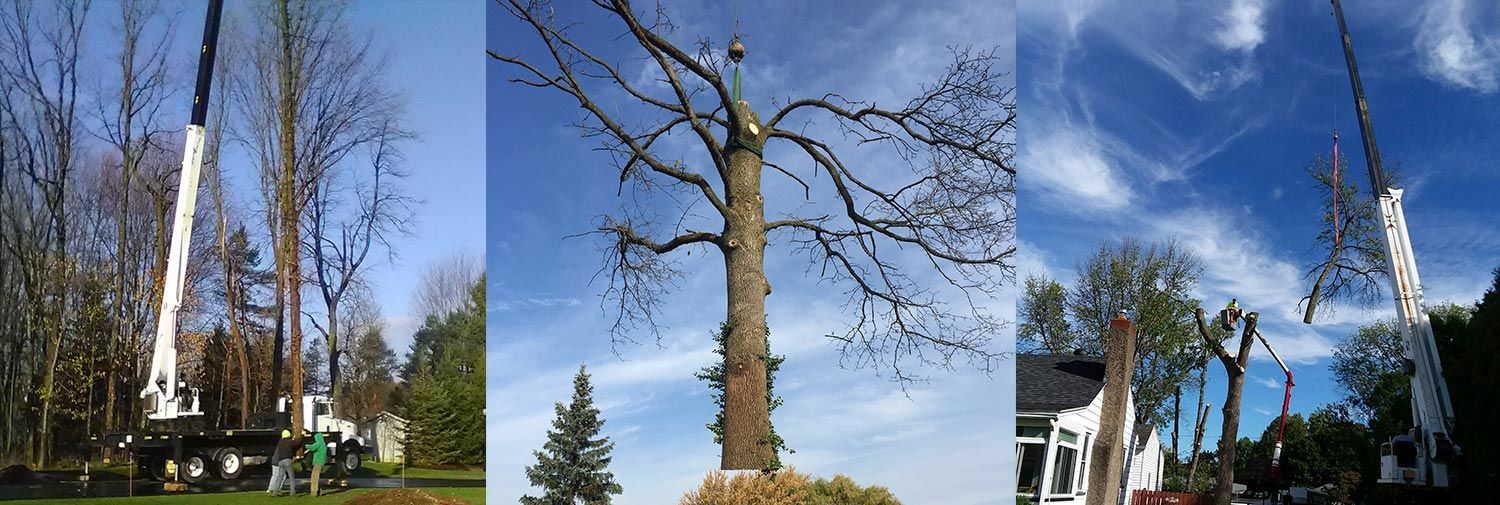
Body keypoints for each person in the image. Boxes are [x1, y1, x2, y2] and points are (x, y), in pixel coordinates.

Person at [271, 430, 299, 496]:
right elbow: (297, 442)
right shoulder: (289, 442)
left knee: (280, 477)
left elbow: (290, 443)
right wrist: (301, 436)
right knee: (291, 477)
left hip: (280, 461)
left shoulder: (280, 442)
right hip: (287, 461)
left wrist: (292, 439)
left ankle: (275, 491)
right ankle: (292, 492)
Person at [267, 429, 293, 496]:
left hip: (275, 461)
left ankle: (271, 489)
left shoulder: (281, 442)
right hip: (278, 461)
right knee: (282, 476)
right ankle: (276, 489)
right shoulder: (285, 443)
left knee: (275, 475)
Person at [308, 433, 328, 497]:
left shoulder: (319, 444)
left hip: (318, 463)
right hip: (321, 462)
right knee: (317, 477)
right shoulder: (323, 444)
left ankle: (314, 492)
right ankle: (320, 490)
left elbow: (312, 447)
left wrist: (305, 445)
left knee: (314, 477)